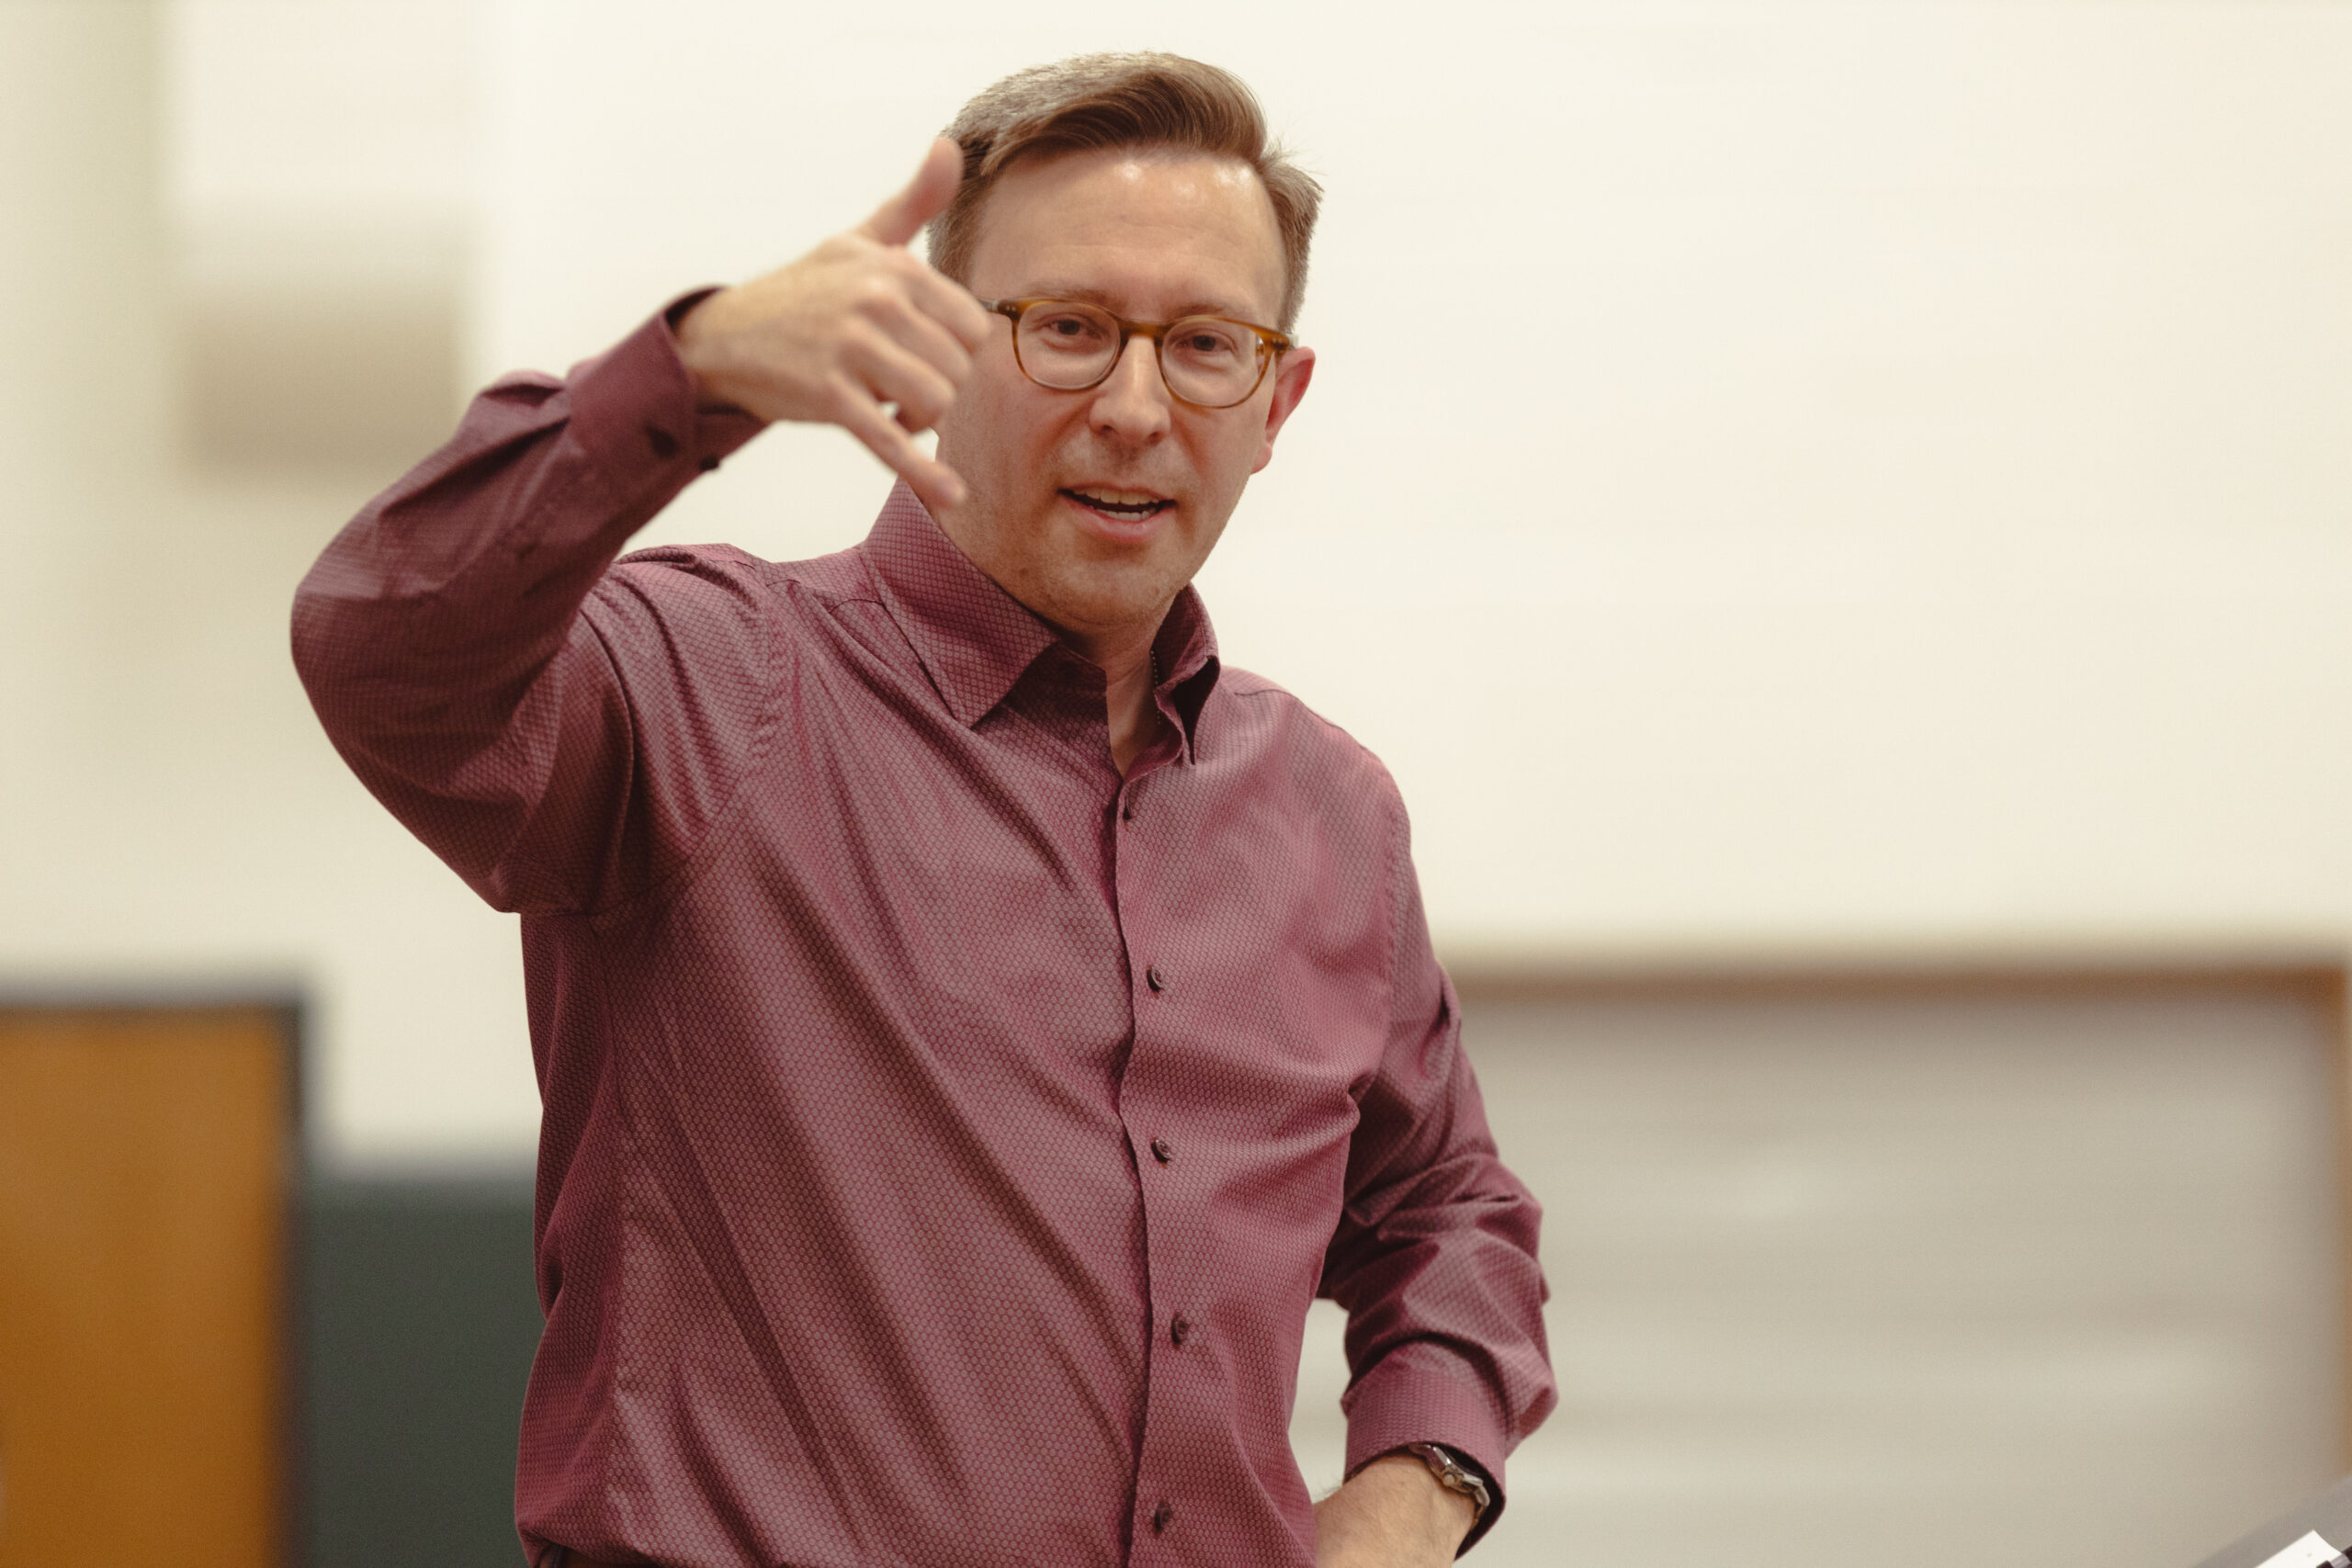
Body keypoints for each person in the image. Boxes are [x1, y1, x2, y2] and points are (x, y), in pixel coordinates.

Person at [293, 51, 1554, 1568]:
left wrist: (1416, 1493)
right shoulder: (706, 689)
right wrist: (697, 369)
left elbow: (1450, 1211)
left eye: (1206, 345)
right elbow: (384, 650)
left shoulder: (1332, 812)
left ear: (1276, 400)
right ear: (938, 348)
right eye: (1068, 329)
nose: (1135, 408)